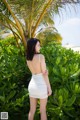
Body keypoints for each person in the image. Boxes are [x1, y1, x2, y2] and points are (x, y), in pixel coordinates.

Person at [26, 38, 52, 120]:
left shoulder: (28, 58)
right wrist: (49, 88)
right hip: (41, 86)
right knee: (43, 111)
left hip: (32, 86)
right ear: (33, 46)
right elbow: (44, 74)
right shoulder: (41, 57)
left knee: (32, 110)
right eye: (38, 45)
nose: (40, 47)